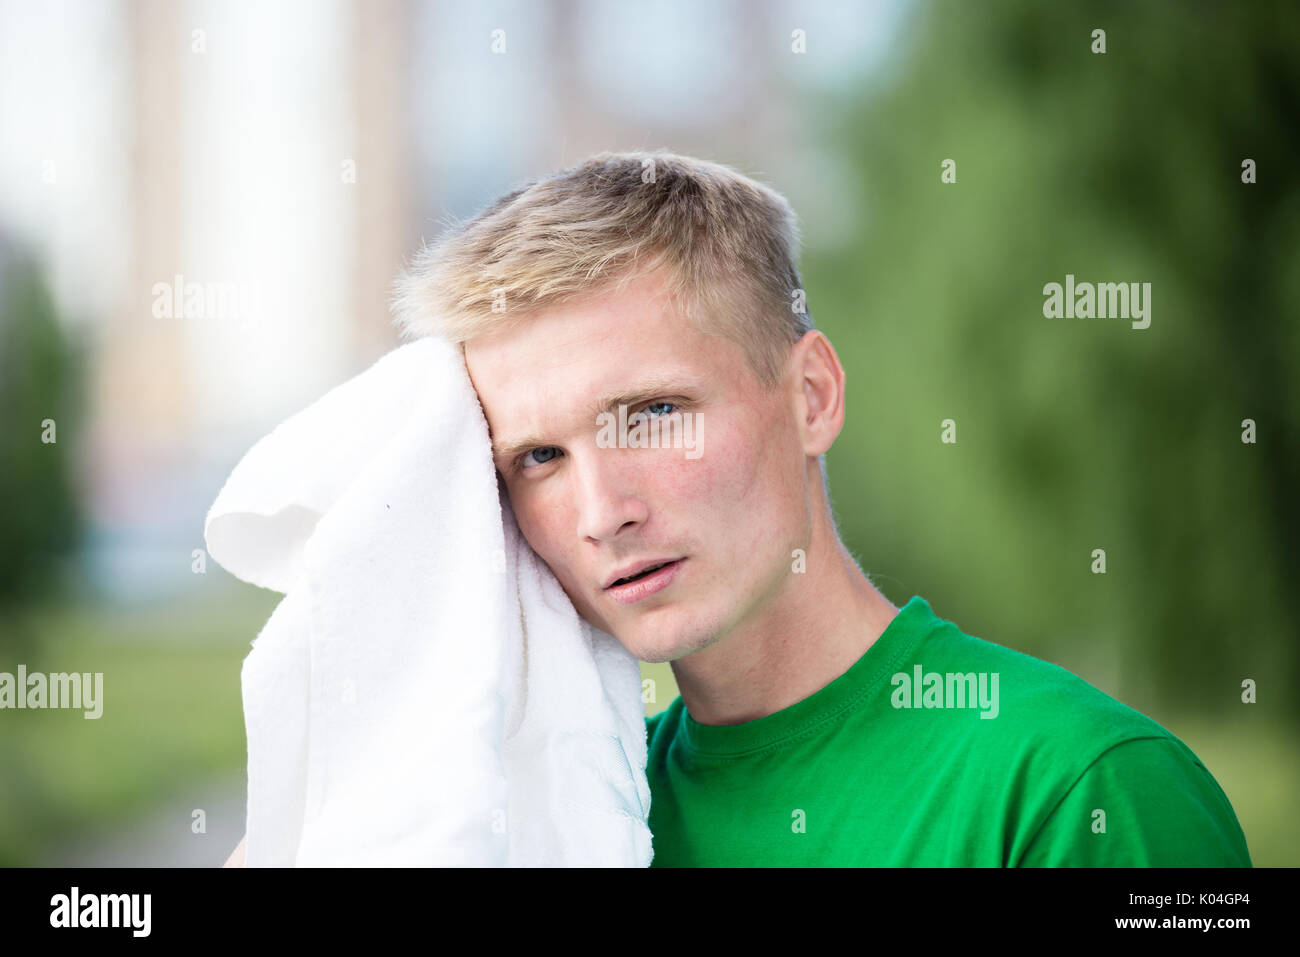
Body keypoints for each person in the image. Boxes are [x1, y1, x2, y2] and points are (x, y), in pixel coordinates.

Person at [226, 150, 1251, 867]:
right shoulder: (550, 818)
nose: (600, 511)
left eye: (652, 413)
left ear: (809, 397)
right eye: (538, 456)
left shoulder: (1079, 791)